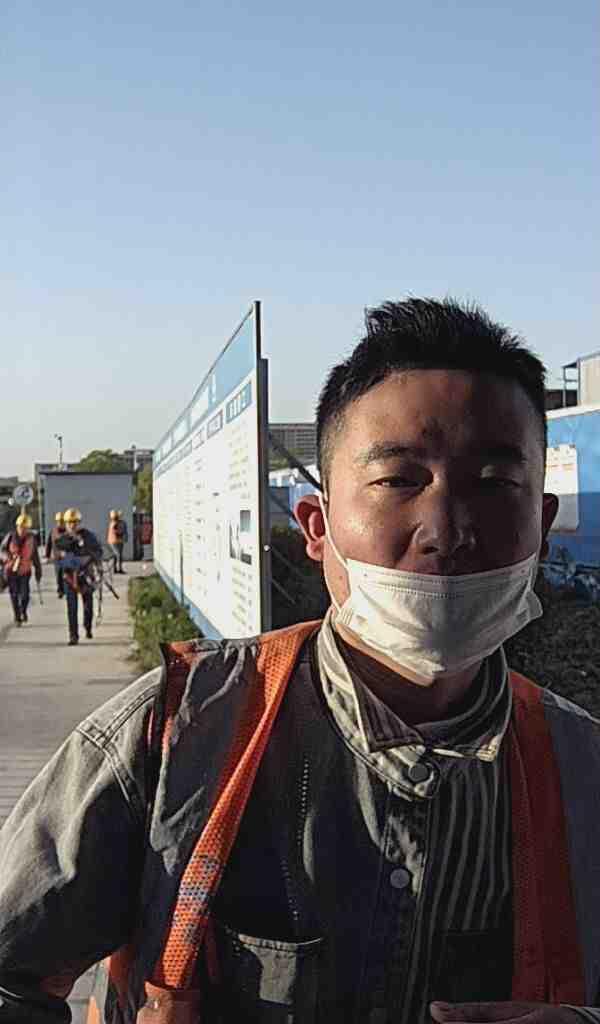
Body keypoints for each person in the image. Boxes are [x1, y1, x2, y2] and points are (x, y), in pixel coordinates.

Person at [0, 297, 599, 1024]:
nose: (446, 530)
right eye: (399, 480)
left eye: (494, 483)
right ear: (317, 526)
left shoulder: (583, 768)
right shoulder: (171, 740)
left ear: (542, 521)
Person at [55, 507, 103, 645]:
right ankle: (73, 636)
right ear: (66, 524)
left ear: (79, 522)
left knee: (88, 605)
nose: (72, 525)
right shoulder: (62, 539)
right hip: (70, 578)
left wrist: (92, 558)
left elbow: (98, 551)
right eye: (69, 522)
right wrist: (74, 542)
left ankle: (87, 627)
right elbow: (59, 557)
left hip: (86, 575)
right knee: (72, 607)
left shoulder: (88, 536)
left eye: (75, 522)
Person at [0, 512, 42, 626]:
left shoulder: (32, 539)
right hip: (11, 570)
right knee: (14, 594)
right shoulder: (10, 537)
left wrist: (38, 571)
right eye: (21, 527)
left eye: (25, 528)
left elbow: (35, 556)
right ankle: (17, 616)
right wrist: (8, 557)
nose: (23, 530)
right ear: (17, 526)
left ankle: (23, 610)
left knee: (25, 595)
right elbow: (2, 550)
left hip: (25, 571)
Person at [44, 510, 67, 597]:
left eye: (62, 521)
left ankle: (66, 589)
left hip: (66, 557)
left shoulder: (67, 531)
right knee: (58, 574)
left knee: (66, 573)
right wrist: (47, 555)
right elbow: (49, 544)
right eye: (59, 521)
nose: (60, 523)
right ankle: (60, 590)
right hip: (57, 557)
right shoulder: (53, 532)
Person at [107, 508, 128, 573]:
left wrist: (124, 536)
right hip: (113, 541)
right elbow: (116, 531)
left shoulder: (121, 522)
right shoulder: (113, 523)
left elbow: (124, 530)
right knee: (117, 554)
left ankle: (116, 569)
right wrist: (122, 532)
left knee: (118, 555)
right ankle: (118, 569)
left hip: (119, 540)